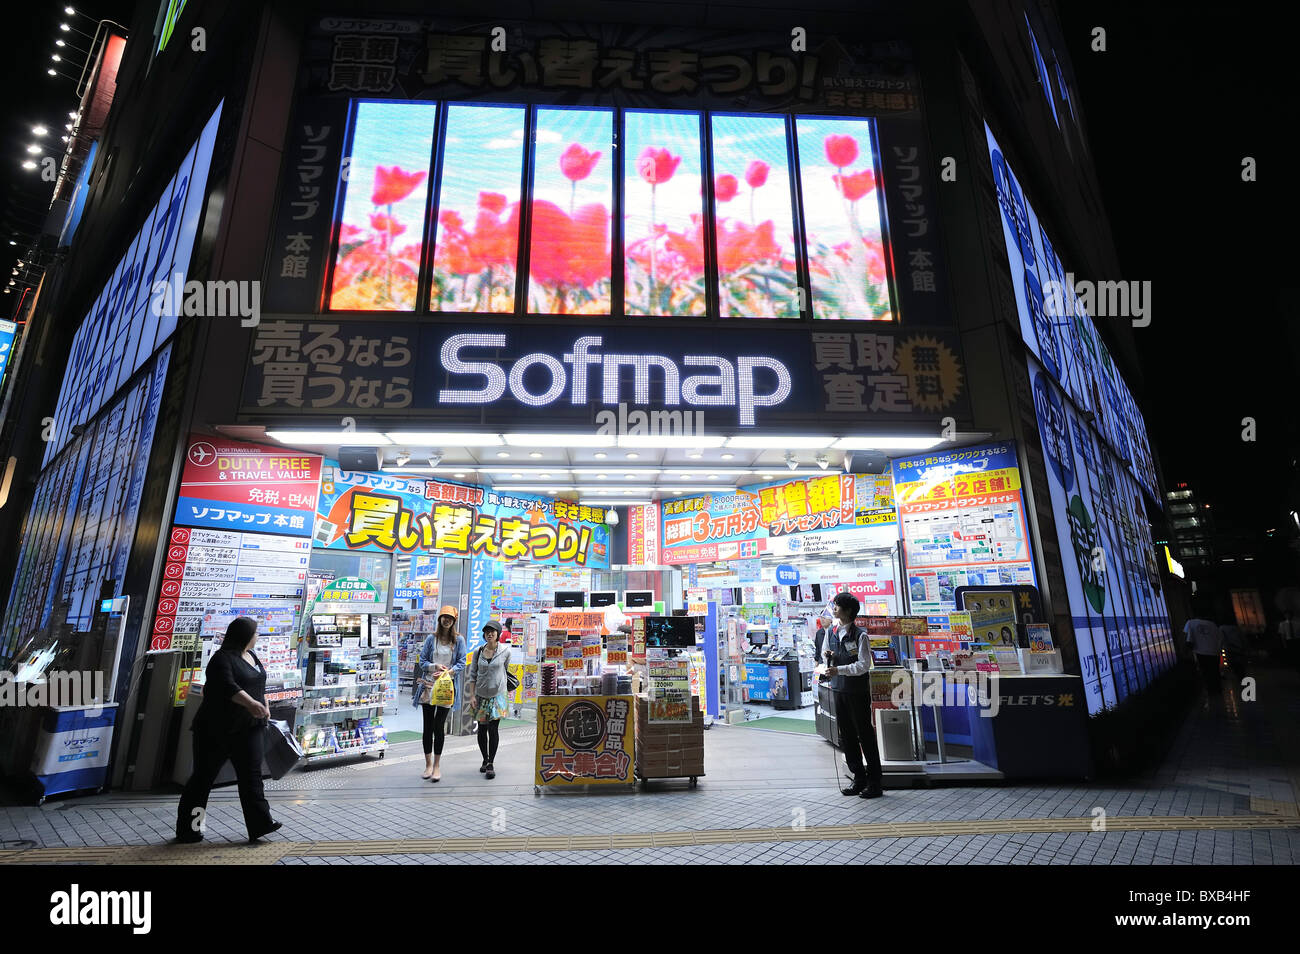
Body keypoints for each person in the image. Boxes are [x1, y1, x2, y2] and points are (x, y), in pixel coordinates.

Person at [175, 617, 281, 843]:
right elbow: (227, 686)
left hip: (249, 728)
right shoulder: (221, 658)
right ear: (244, 636)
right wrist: (251, 704)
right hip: (216, 729)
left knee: (252, 777)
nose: (257, 637)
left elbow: (258, 685)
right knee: (203, 779)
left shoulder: (252, 656)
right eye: (255, 633)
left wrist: (265, 704)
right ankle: (190, 829)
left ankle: (260, 824)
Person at [822, 592, 884, 799]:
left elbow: (864, 665)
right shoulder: (831, 632)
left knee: (864, 735)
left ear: (848, 611)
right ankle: (859, 778)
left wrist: (839, 670)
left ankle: (875, 782)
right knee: (847, 736)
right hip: (839, 690)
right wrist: (828, 656)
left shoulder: (860, 636)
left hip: (857, 692)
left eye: (837, 605)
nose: (834, 609)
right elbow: (825, 651)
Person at [417, 605, 466, 782]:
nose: (447, 620)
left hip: (446, 688)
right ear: (440, 619)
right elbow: (422, 661)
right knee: (427, 727)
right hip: (429, 687)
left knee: (439, 727)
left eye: (450, 618)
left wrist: (447, 672)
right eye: (444, 617)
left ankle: (437, 765)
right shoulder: (432, 639)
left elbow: (462, 662)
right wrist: (434, 666)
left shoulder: (459, 640)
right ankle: (428, 764)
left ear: (454, 621)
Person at [467, 619, 511, 779]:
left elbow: (504, 670)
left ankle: (491, 762)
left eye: (492, 631)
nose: (489, 634)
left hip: (498, 696)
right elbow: (473, 674)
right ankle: (484, 759)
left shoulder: (505, 651)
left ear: (498, 634)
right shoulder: (478, 652)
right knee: (482, 729)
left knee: (493, 729)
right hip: (480, 695)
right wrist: (472, 695)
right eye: (487, 632)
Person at [1184, 605, 1224, 701]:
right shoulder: (1212, 624)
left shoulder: (1190, 623)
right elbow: (1220, 639)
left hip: (1201, 652)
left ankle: (1211, 692)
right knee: (1215, 671)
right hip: (1214, 652)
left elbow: (1188, 639)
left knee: (1205, 672)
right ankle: (1218, 690)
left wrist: (1186, 651)